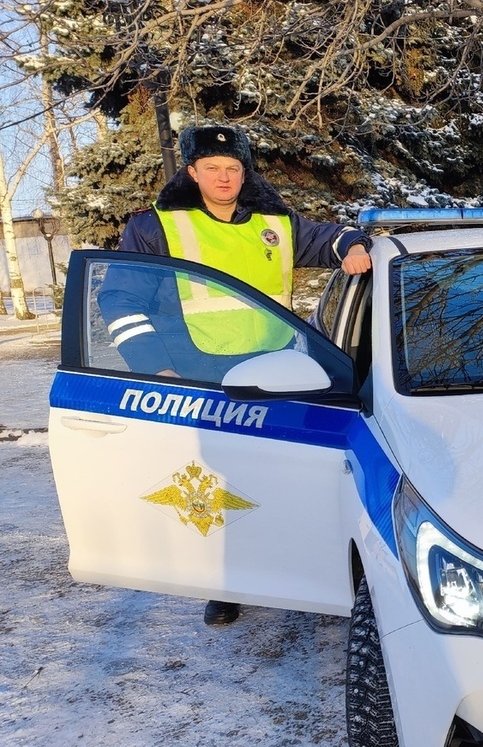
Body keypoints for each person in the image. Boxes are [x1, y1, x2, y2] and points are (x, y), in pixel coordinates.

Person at [103, 124, 373, 626]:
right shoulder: (155, 227)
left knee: (282, 478)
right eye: (212, 169)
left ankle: (297, 572)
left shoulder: (273, 223)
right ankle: (226, 585)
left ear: (245, 172)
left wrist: (354, 245)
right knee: (215, 490)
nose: (224, 177)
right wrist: (154, 366)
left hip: (278, 371)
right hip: (200, 378)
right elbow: (121, 299)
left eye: (233, 168)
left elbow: (331, 238)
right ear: (192, 172)